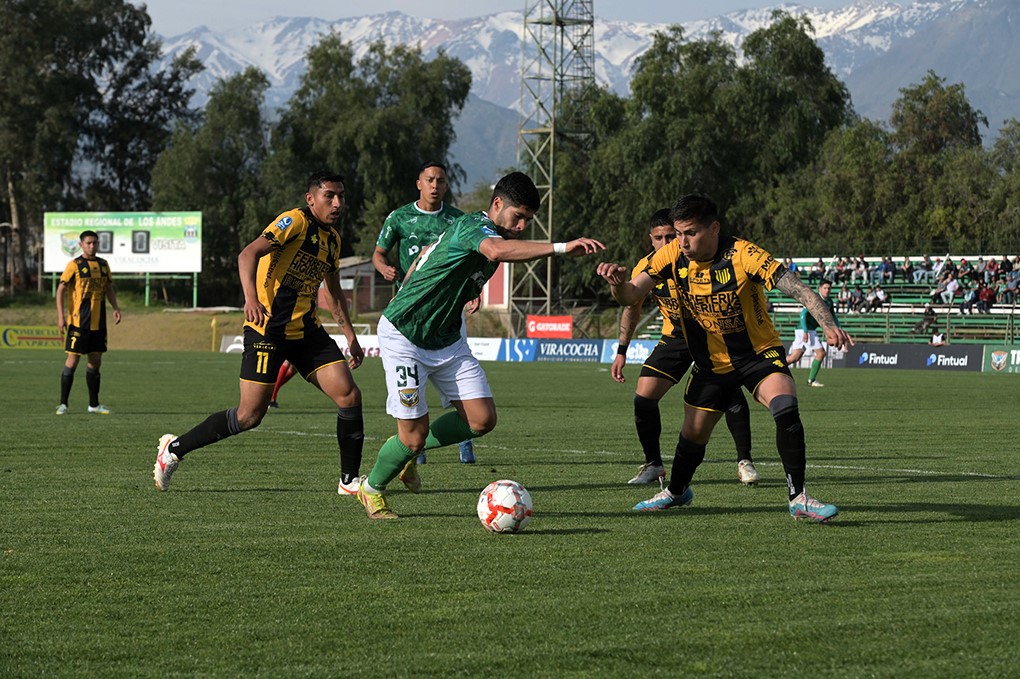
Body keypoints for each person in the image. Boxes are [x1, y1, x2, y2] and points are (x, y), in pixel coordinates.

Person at [356, 171, 604, 519]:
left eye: (527, 221)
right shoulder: (476, 226)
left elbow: (431, 257)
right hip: (406, 335)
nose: (521, 227)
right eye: (518, 217)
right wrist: (561, 247)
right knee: (412, 437)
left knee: (482, 420)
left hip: (447, 338)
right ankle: (372, 489)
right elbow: (495, 249)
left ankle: (405, 454)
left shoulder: (479, 233)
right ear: (497, 204)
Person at [597, 193, 852, 522]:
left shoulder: (744, 254)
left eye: (690, 233)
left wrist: (828, 324)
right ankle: (676, 491)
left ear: (714, 228)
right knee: (694, 435)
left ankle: (798, 498)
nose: (682, 242)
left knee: (786, 406)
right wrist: (616, 285)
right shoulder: (671, 255)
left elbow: (798, 288)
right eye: (677, 234)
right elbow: (630, 295)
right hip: (710, 364)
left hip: (757, 355)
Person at [153, 170, 368, 495]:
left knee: (349, 395)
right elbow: (247, 254)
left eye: (341, 196)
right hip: (267, 328)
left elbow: (334, 292)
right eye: (329, 196)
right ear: (311, 199)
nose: (337, 203)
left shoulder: (333, 241)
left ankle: (349, 481)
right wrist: (250, 298)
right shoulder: (293, 222)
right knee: (249, 416)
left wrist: (350, 336)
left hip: (307, 331)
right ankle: (173, 449)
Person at [611, 209, 759, 487]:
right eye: (659, 237)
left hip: (710, 332)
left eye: (672, 236)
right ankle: (654, 464)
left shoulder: (696, 258)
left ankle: (745, 460)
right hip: (676, 338)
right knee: (643, 397)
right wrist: (621, 350)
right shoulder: (646, 267)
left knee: (729, 392)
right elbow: (632, 306)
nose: (667, 242)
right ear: (651, 239)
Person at [374, 160, 477, 466]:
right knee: (414, 384)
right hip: (411, 313)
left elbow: (473, 261)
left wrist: (475, 291)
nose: (435, 185)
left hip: (448, 312)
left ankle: (464, 443)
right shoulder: (400, 218)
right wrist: (384, 268)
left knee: (462, 389)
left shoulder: (458, 220)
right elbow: (378, 254)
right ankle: (412, 447)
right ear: (419, 183)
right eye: (430, 179)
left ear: (446, 186)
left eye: (441, 180)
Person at [55, 230, 122, 414]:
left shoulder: (103, 265)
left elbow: (108, 287)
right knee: (73, 360)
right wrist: (61, 317)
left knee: (95, 361)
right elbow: (60, 290)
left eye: (95, 243)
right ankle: (63, 404)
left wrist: (115, 308)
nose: (92, 246)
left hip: (98, 324)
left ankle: (93, 405)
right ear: (81, 244)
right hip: (78, 323)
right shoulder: (74, 265)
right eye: (88, 243)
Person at [786, 280, 841, 388]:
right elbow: (803, 315)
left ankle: (771, 368)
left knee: (794, 357)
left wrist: (839, 329)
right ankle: (811, 380)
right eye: (825, 288)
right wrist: (805, 331)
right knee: (821, 353)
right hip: (805, 329)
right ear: (820, 288)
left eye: (829, 288)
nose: (827, 290)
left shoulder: (829, 301)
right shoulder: (814, 299)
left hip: (805, 330)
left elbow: (833, 316)